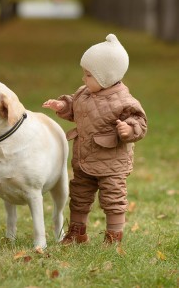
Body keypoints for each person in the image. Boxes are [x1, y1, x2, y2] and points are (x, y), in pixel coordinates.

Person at [42, 34, 147, 245]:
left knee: (113, 199)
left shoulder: (124, 101)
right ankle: (76, 233)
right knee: (79, 196)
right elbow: (78, 110)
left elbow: (140, 122)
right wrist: (64, 106)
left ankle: (113, 237)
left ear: (106, 77)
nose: (83, 79)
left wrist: (128, 129)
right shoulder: (84, 94)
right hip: (84, 158)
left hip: (112, 163)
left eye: (88, 75)